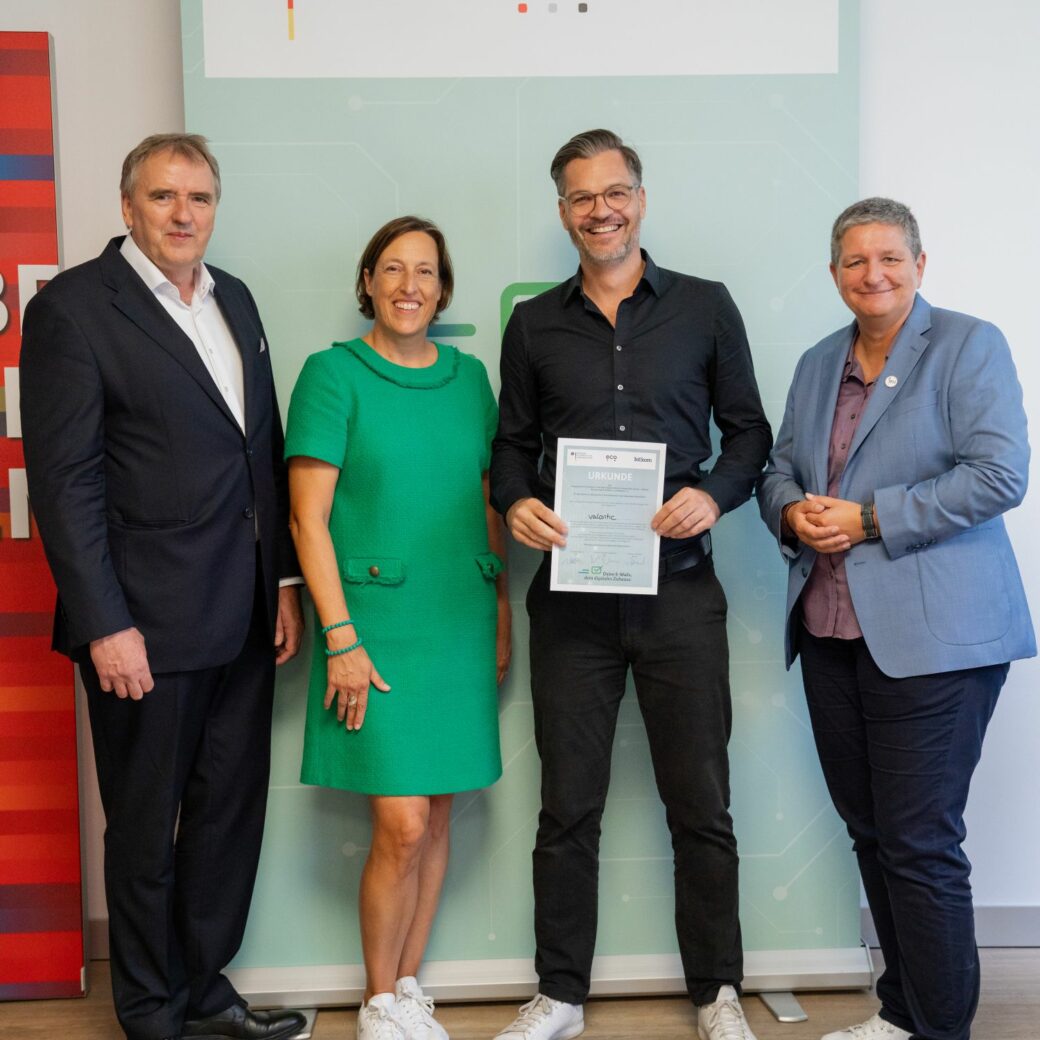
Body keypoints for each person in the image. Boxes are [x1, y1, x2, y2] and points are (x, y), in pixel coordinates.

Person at [19, 134, 306, 1040]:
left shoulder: (236, 299)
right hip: (142, 623)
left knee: (228, 817)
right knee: (147, 829)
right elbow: (65, 483)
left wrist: (283, 579)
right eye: (163, 196)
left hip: (245, 612)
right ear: (127, 205)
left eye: (200, 197)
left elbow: (260, 451)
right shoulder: (72, 309)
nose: (184, 215)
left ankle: (206, 993)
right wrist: (105, 623)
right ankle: (150, 1012)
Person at [489, 129, 771, 1040]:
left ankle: (717, 993)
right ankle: (561, 996)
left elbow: (750, 434)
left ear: (640, 201)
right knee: (567, 807)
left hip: (680, 593)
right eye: (581, 197)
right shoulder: (533, 324)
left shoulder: (705, 307)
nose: (600, 210)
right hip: (571, 605)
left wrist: (712, 495)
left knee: (702, 803)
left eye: (615, 193)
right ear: (562, 212)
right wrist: (517, 502)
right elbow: (510, 448)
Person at [757, 197, 1035, 1040]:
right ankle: (904, 1013)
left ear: (920, 264)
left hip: (938, 641)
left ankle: (942, 1028)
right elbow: (778, 467)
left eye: (889, 258)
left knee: (918, 841)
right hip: (831, 631)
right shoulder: (818, 362)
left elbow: (999, 475)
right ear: (833, 271)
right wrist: (791, 511)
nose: (871, 274)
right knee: (873, 833)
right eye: (854, 260)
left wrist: (870, 518)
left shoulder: (968, 345)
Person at [284, 216, 510, 1040]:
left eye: (425, 272)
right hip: (372, 627)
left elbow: (487, 501)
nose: (409, 286)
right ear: (367, 282)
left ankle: (409, 988)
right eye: (392, 269)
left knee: (439, 814)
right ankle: (377, 1003)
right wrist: (340, 639)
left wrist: (500, 608)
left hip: (457, 617)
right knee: (402, 820)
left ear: (442, 290)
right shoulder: (331, 375)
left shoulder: (470, 379)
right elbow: (307, 521)